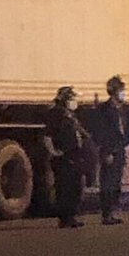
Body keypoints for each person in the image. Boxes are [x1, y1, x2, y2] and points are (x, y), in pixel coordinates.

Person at [45, 86, 89, 228]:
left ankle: (71, 216)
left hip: (74, 156)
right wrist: (54, 152)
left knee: (76, 186)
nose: (75, 101)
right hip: (65, 157)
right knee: (65, 188)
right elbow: (47, 136)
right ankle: (66, 218)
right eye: (72, 98)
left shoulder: (69, 115)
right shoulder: (56, 115)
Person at [93, 75, 128, 225]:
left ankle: (111, 212)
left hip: (119, 150)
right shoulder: (104, 110)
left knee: (116, 183)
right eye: (122, 90)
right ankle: (106, 214)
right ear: (114, 92)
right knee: (107, 183)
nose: (124, 93)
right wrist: (107, 152)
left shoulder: (120, 109)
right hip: (109, 151)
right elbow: (102, 133)